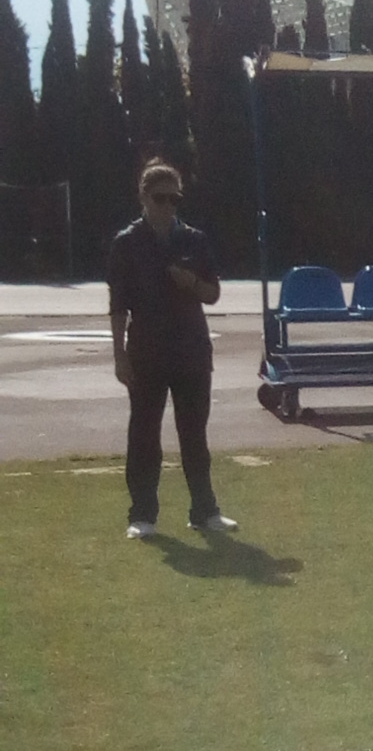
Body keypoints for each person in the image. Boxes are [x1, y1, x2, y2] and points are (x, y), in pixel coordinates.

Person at [108, 158, 235, 538]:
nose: (167, 206)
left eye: (174, 199)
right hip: (146, 351)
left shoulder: (194, 239)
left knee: (194, 434)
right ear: (144, 198)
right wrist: (119, 355)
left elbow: (212, 293)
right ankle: (142, 514)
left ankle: (205, 511)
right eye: (160, 198)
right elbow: (118, 305)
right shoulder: (127, 243)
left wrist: (191, 283)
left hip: (191, 350)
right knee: (144, 434)